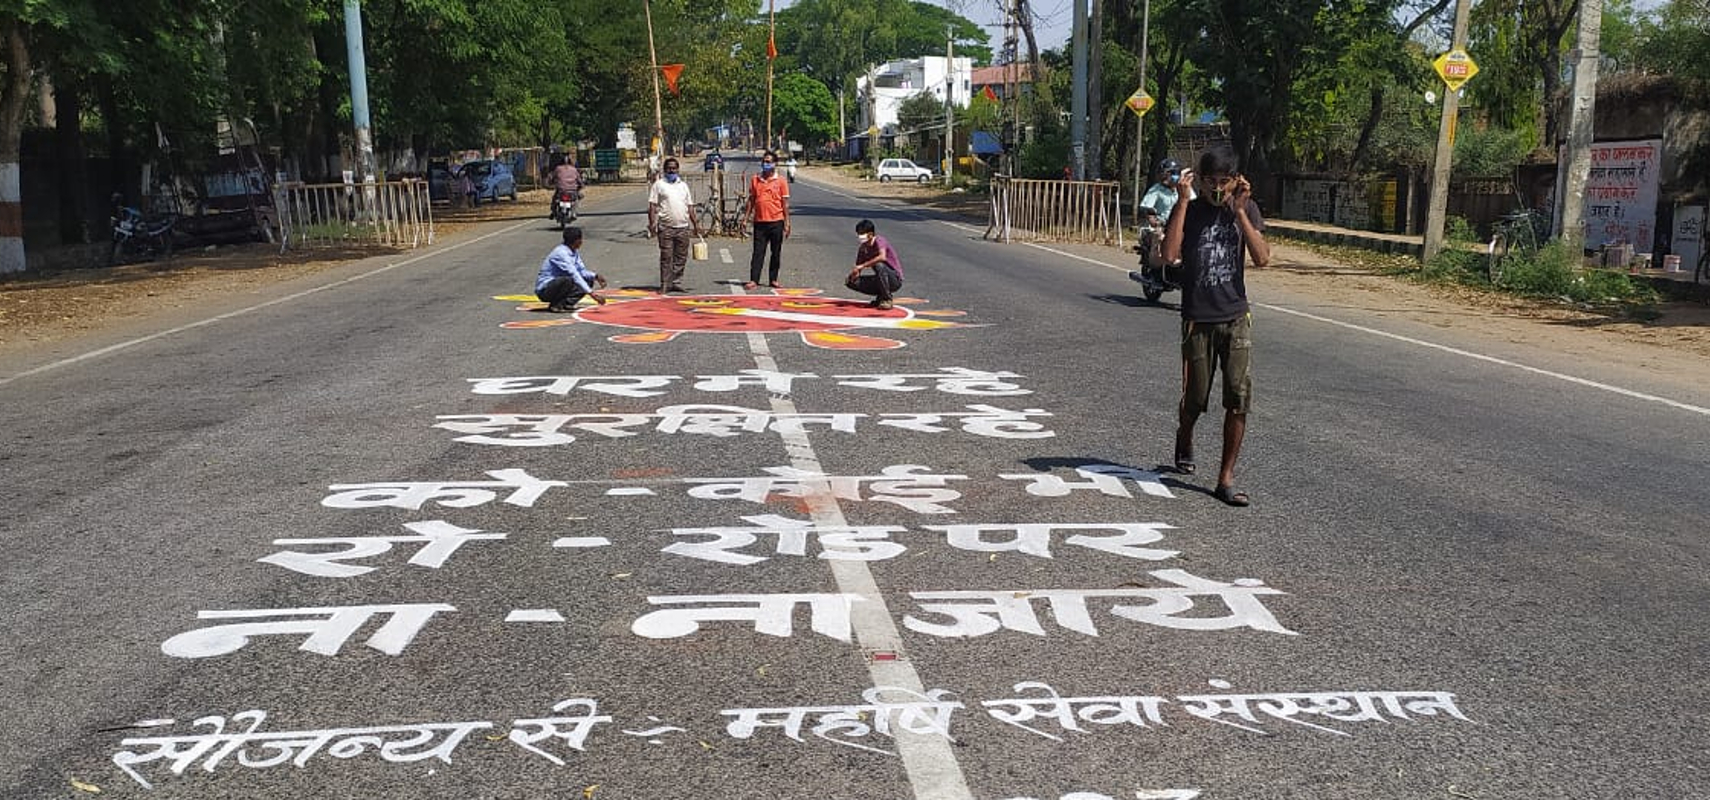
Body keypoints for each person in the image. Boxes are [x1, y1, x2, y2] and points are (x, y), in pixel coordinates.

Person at [1159, 146, 1271, 507]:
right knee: (1195, 399)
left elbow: (1263, 258)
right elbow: (1169, 255)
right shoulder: (1189, 211)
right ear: (1199, 181)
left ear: (1236, 181)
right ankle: (1185, 434)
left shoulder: (1244, 209)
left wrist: (1239, 211)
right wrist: (1181, 201)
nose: (1218, 189)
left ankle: (1225, 478)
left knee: (1238, 399)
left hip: (1236, 316)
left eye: (1225, 182)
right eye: (1211, 182)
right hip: (1198, 319)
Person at [648, 157, 700, 294]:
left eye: (674, 168)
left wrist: (696, 224)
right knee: (666, 256)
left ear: (678, 170)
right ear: (665, 170)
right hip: (666, 228)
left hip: (683, 227)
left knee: (681, 257)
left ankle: (676, 282)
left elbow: (690, 206)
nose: (672, 170)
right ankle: (665, 283)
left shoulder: (683, 186)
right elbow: (652, 206)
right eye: (669, 168)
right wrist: (652, 224)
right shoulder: (658, 185)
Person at [745, 150, 791, 289]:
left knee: (775, 252)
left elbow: (785, 203)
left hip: (776, 221)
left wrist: (787, 223)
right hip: (760, 221)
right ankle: (754, 279)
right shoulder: (755, 179)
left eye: (769, 162)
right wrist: (745, 218)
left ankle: (773, 279)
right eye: (764, 161)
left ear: (775, 164)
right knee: (758, 252)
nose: (766, 164)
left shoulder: (781, 181)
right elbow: (751, 200)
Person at [534, 226, 608, 312]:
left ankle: (566, 303)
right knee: (568, 280)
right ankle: (556, 305)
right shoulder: (561, 253)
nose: (582, 242)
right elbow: (574, 274)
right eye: (580, 239)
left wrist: (595, 276)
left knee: (588, 280)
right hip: (545, 290)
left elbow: (581, 271)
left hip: (560, 285)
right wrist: (592, 294)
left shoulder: (573, 251)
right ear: (576, 241)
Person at [845, 219, 902, 309]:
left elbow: (882, 257)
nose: (860, 237)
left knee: (879, 265)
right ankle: (881, 296)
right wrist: (855, 273)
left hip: (894, 279)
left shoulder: (879, 241)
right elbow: (858, 267)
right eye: (859, 234)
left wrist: (864, 265)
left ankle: (887, 299)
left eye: (862, 234)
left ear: (870, 234)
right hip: (880, 278)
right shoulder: (863, 249)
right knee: (851, 282)